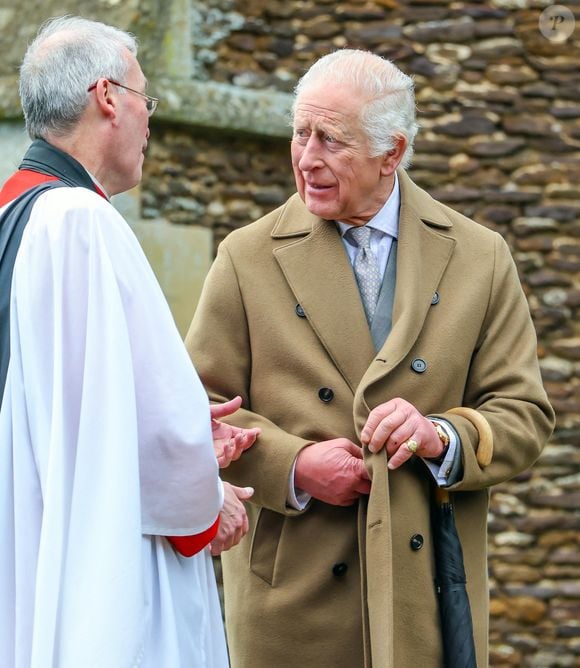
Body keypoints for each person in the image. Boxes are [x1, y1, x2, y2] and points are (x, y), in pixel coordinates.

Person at [186, 49, 555, 667]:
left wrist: (440, 434)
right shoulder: (245, 257)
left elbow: (524, 414)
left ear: (392, 153)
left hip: (427, 598)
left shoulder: (479, 256)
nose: (307, 159)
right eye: (300, 133)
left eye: (331, 140)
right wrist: (297, 465)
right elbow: (197, 409)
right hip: (293, 608)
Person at [0, 16, 258, 668]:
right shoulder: (82, 223)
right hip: (106, 573)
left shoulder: (13, 216)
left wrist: (185, 424)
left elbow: (65, 400)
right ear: (108, 96)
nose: (152, 122)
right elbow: (157, 440)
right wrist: (209, 493)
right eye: (147, 100)